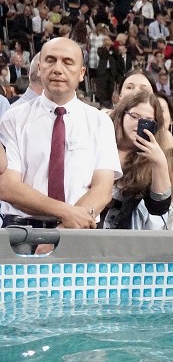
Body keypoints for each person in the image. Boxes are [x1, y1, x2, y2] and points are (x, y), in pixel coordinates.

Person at [0, 38, 120, 229]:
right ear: (39, 68)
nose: (57, 69)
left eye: (67, 62)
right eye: (50, 60)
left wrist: (63, 230)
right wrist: (65, 212)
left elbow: (102, 189)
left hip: (79, 232)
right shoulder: (13, 118)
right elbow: (8, 187)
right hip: (22, 232)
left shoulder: (100, 122)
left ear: (82, 73)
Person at [102, 90, 172, 229]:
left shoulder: (148, 160)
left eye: (148, 120)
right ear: (122, 114)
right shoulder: (101, 142)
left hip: (119, 239)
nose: (139, 124)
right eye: (134, 116)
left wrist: (160, 163)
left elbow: (158, 207)